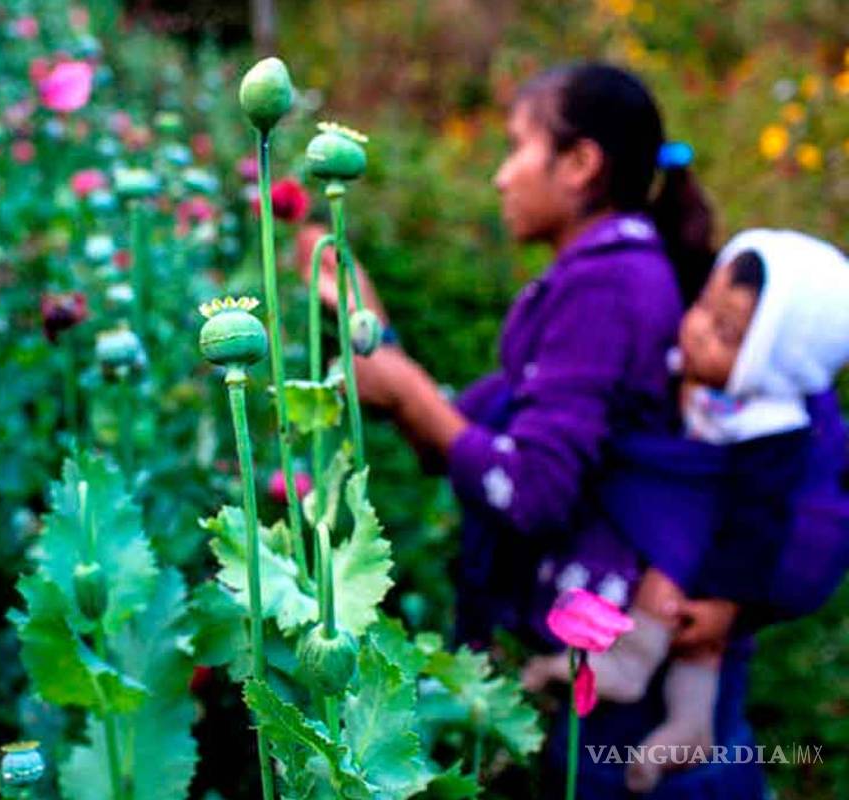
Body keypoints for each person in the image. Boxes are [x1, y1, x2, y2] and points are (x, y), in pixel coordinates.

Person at [299, 62, 767, 798]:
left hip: (618, 710)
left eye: (517, 147)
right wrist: (376, 338)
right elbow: (471, 432)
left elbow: (530, 489)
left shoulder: (608, 285)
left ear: (580, 164)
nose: (499, 176)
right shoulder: (603, 273)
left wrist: (409, 389)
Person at [524, 229, 849, 792]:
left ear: (778, 359)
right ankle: (689, 723)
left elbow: (758, 524)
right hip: (698, 549)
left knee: (680, 601)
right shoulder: (694, 377)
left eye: (725, 332)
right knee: (690, 619)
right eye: (702, 306)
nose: (698, 330)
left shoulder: (773, 429)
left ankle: (644, 681)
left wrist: (724, 600)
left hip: (720, 566)